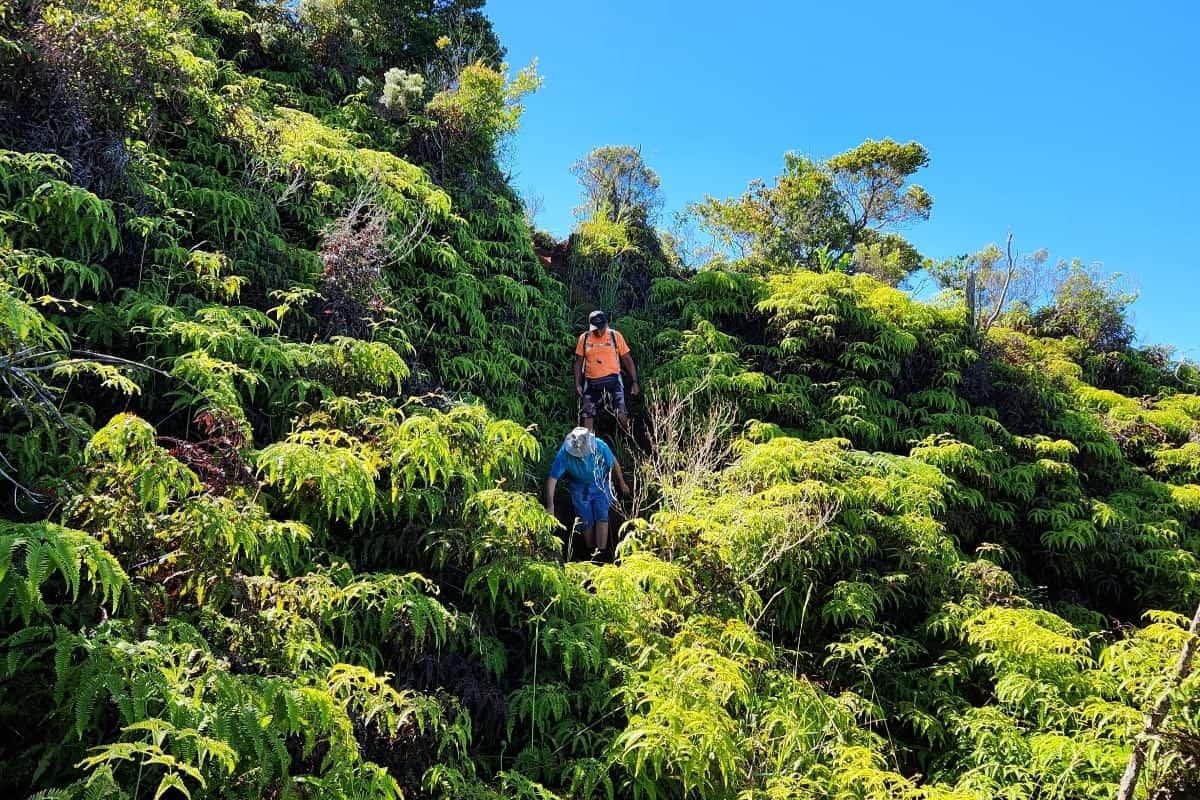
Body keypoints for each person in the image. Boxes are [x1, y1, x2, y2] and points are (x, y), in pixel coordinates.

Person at [545, 426, 630, 559]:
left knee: (602, 513)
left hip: (600, 483)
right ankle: (590, 551)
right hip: (579, 487)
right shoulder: (564, 454)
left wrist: (622, 483)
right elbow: (552, 479)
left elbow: (613, 462)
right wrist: (550, 505)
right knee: (585, 519)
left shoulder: (600, 446)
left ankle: (601, 552)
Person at [575, 310, 639, 432]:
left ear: (606, 324)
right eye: (595, 329)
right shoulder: (584, 338)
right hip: (591, 382)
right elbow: (578, 362)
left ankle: (631, 437)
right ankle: (589, 442)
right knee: (587, 414)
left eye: (601, 328)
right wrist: (577, 384)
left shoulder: (615, 336)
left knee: (620, 413)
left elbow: (627, 359)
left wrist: (634, 382)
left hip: (613, 380)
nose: (598, 332)